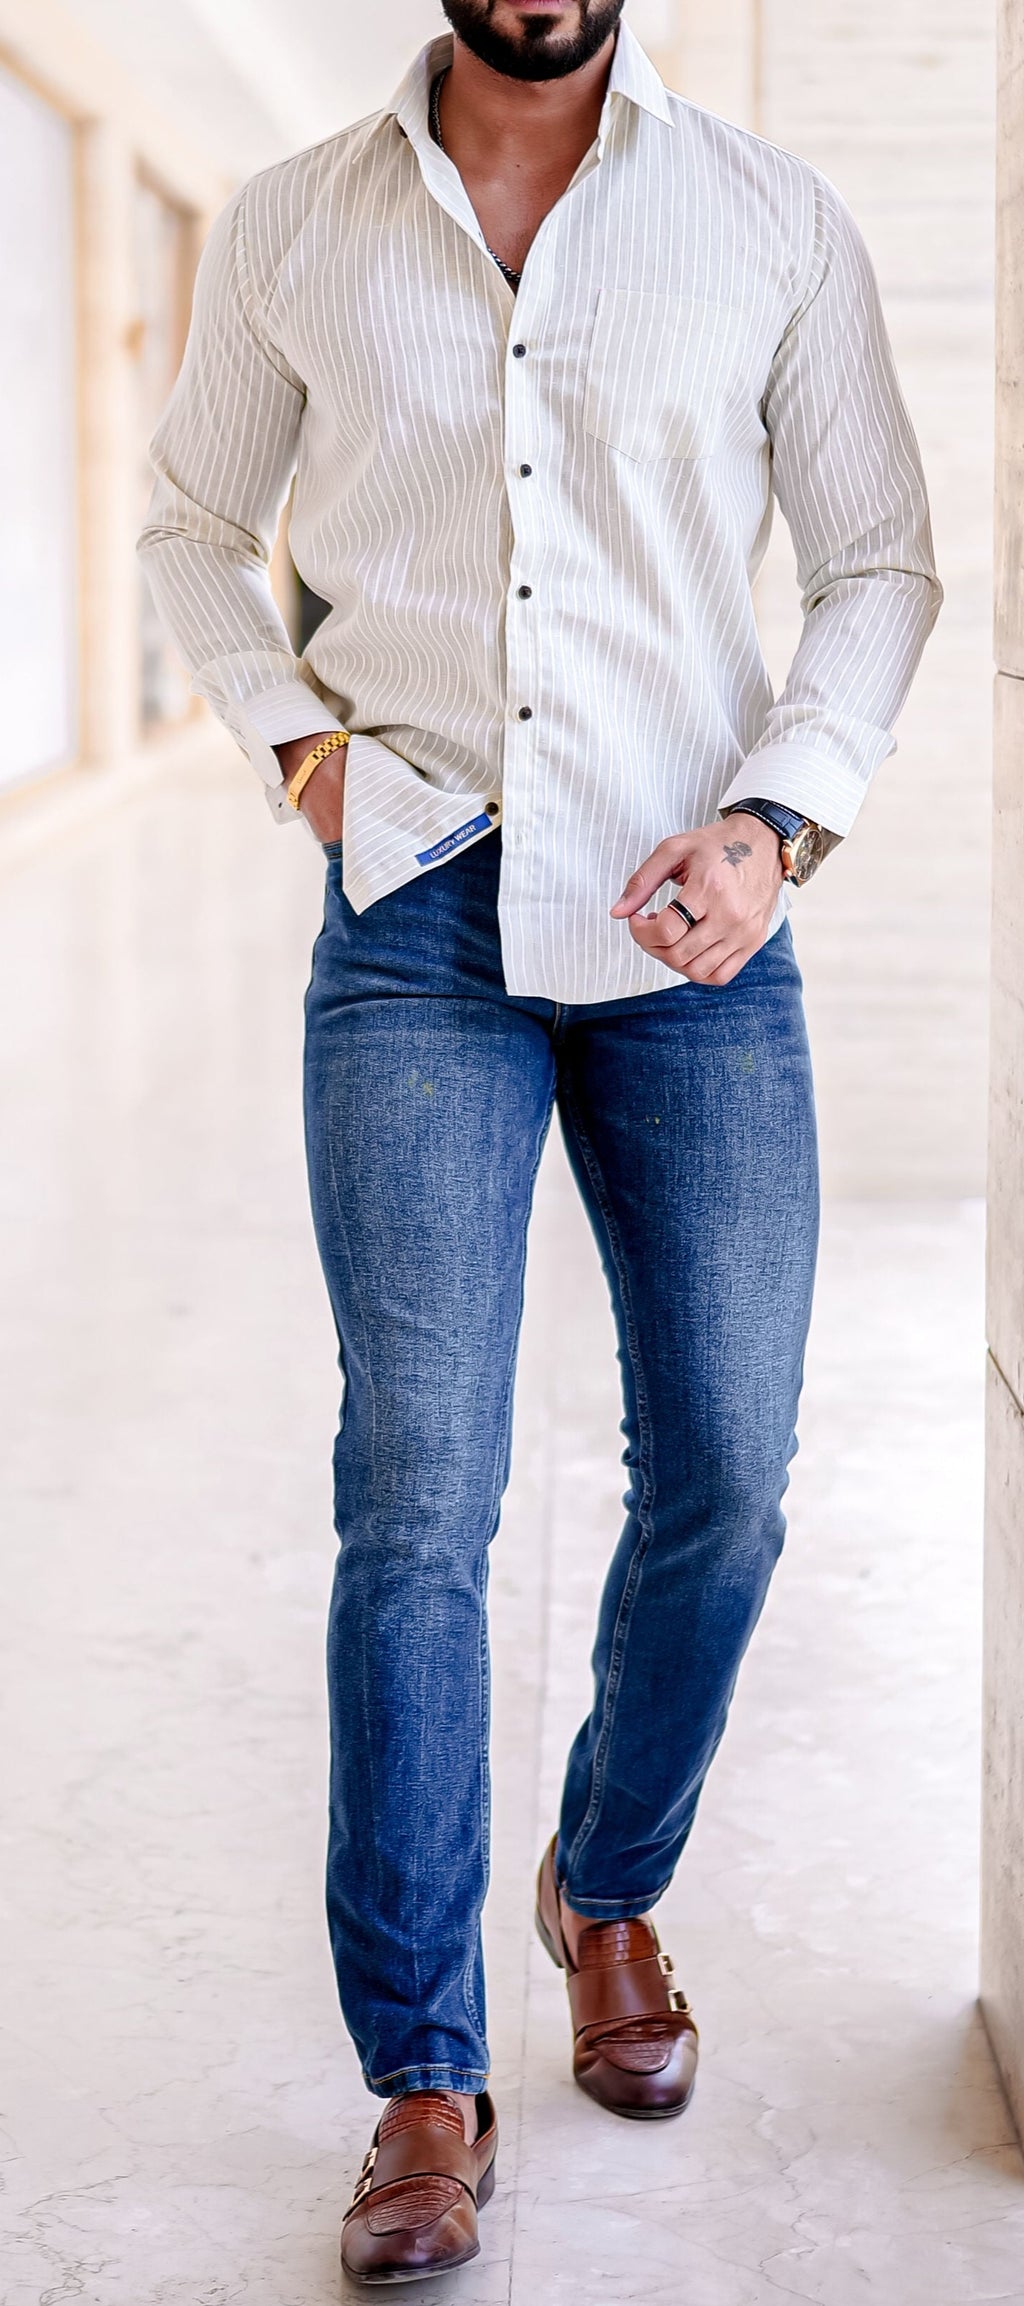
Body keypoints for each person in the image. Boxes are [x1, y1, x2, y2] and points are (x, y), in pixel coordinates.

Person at [139, 0, 940, 2283]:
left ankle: (601, 1879)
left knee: (728, 1469)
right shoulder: (298, 223)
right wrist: (302, 755)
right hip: (410, 919)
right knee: (414, 1497)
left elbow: (874, 559)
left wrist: (781, 820)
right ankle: (418, 2073)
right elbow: (197, 522)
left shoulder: (764, 217)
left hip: (692, 927)